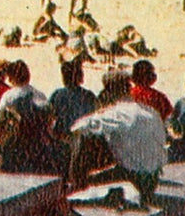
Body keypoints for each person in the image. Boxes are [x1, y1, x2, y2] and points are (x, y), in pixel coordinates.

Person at [67, 67, 167, 207]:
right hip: (153, 179)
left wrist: (100, 112)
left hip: (134, 178)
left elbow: (78, 127)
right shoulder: (150, 111)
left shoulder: (117, 113)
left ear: (110, 92)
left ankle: (76, 184)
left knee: (86, 137)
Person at [48, 59, 98, 140]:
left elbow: (49, 118)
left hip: (63, 139)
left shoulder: (57, 95)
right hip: (84, 138)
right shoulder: (89, 96)